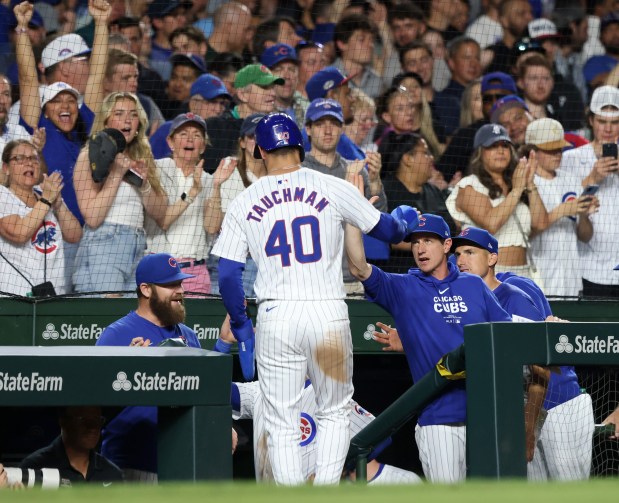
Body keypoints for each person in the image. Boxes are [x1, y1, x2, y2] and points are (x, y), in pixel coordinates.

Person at [211, 112, 418, 485]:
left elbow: (227, 275)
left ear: (259, 150)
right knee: (335, 411)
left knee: (280, 419)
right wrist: (404, 222)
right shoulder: (332, 185)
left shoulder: (245, 200)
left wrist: (241, 325)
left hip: (276, 316)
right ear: (301, 146)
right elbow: (387, 230)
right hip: (327, 313)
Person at [344, 213, 512, 483]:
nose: (420, 249)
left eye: (428, 241)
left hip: (486, 415)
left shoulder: (473, 285)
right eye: (415, 242)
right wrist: (353, 216)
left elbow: (506, 333)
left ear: (447, 246)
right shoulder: (403, 288)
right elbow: (359, 269)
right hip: (439, 420)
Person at [450, 226, 595, 480]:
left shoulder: (512, 296)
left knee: (570, 494)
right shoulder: (470, 302)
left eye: (470, 252)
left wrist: (528, 427)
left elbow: (541, 368)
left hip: (560, 405)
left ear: (492, 258)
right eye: (458, 254)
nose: (461, 261)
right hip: (529, 407)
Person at [214, 314, 422, 485]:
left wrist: (333, 470)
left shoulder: (326, 394)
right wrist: (223, 345)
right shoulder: (260, 391)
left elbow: (378, 438)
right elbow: (209, 388)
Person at [96, 252, 200, 481]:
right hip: (130, 464)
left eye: (180, 283)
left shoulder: (189, 336)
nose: (180, 291)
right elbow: (94, 406)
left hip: (181, 459)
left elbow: (203, 395)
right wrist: (130, 369)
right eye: (171, 285)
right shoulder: (116, 335)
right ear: (146, 289)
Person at [72, 92, 168, 294]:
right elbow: (92, 216)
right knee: (108, 317)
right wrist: (116, 174)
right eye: (119, 113)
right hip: (104, 245)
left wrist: (143, 185)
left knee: (131, 321)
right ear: (106, 119)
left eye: (133, 114)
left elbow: (161, 214)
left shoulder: (142, 155)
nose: (127, 119)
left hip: (138, 246)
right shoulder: (88, 155)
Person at [146, 113, 236, 296]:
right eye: (183, 134)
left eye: (196, 135)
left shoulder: (211, 180)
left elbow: (212, 228)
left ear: (203, 146)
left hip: (195, 273)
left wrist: (217, 186)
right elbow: (163, 221)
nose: (190, 139)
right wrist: (193, 192)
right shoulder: (157, 171)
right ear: (170, 142)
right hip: (160, 269)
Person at [446, 123, 549, 279]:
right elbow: (491, 224)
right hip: (485, 275)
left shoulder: (516, 184)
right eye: (493, 146)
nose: (500, 151)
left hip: (522, 273)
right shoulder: (469, 185)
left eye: (505, 145)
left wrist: (529, 184)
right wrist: (516, 190)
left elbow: (540, 224)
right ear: (480, 152)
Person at [521, 118, 598, 297]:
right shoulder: (524, 183)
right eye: (550, 150)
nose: (558, 154)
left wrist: (584, 215)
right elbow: (524, 234)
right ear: (532, 151)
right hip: (538, 278)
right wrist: (563, 210)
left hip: (571, 279)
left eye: (560, 149)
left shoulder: (570, 179)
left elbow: (585, 237)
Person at [0, 140, 82, 296]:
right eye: (20, 158)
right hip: (16, 296)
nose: (29, 163)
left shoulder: (45, 192)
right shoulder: (3, 195)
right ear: (6, 168)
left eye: (33, 158)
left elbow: (75, 235)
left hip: (54, 293)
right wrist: (46, 201)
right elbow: (18, 233)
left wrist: (58, 205)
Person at [560, 85, 619, 297]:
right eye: (602, 121)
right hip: (587, 266)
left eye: (614, 122)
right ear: (591, 120)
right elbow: (561, 207)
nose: (608, 129)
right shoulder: (570, 159)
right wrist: (592, 178)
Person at [204, 113, 266, 297]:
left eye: (263, 136)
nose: (258, 141)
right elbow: (212, 226)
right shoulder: (230, 170)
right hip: (232, 264)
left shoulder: (279, 176)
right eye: (252, 137)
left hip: (268, 266)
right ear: (242, 142)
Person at [20, 406, 124, 486]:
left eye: (97, 420)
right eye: (83, 420)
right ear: (63, 422)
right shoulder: (34, 468)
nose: (92, 427)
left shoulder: (112, 474)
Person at [150, 73, 232, 159]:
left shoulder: (225, 138)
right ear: (194, 104)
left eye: (222, 103)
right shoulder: (168, 130)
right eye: (212, 102)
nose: (218, 109)